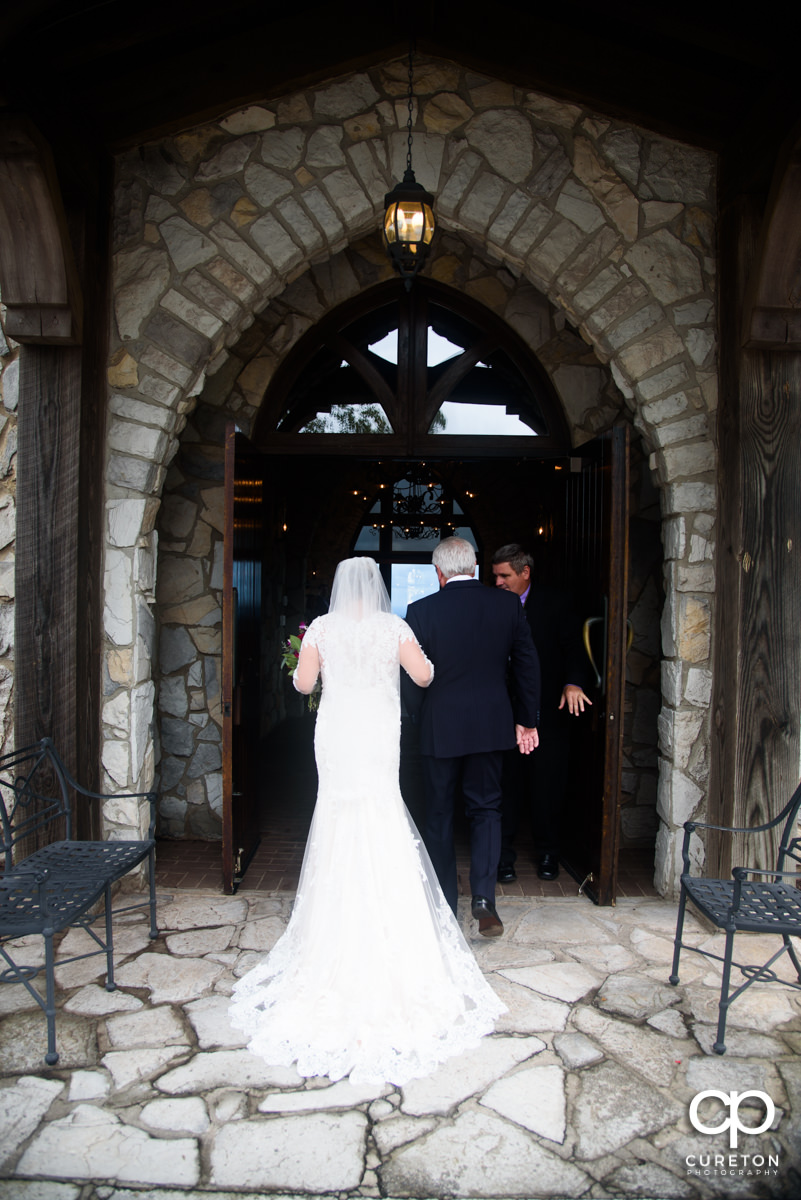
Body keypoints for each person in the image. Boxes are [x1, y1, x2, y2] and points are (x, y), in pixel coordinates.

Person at [229, 556, 505, 1087]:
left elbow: (302, 685)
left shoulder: (323, 629)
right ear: (375, 588)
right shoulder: (395, 625)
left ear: (338, 589)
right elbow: (423, 674)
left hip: (337, 733)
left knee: (336, 812)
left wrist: (307, 662)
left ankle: (332, 925)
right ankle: (391, 921)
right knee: (381, 808)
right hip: (378, 733)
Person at [403, 537, 541, 938]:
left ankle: (446, 902)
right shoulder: (506, 605)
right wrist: (525, 720)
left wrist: (419, 716)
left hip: (440, 726)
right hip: (489, 725)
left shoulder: (421, 611)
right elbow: (527, 666)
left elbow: (411, 678)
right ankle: (484, 898)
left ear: (439, 573)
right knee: (486, 810)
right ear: (476, 567)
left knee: (440, 814)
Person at [492, 543, 592, 882]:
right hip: (504, 713)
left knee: (547, 786)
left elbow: (574, 649)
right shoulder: (492, 605)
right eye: (495, 576)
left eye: (505, 576)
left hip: (548, 712)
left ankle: (549, 852)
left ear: (525, 573)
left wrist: (574, 682)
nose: (499, 583)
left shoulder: (556, 603)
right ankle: (503, 857)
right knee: (505, 787)